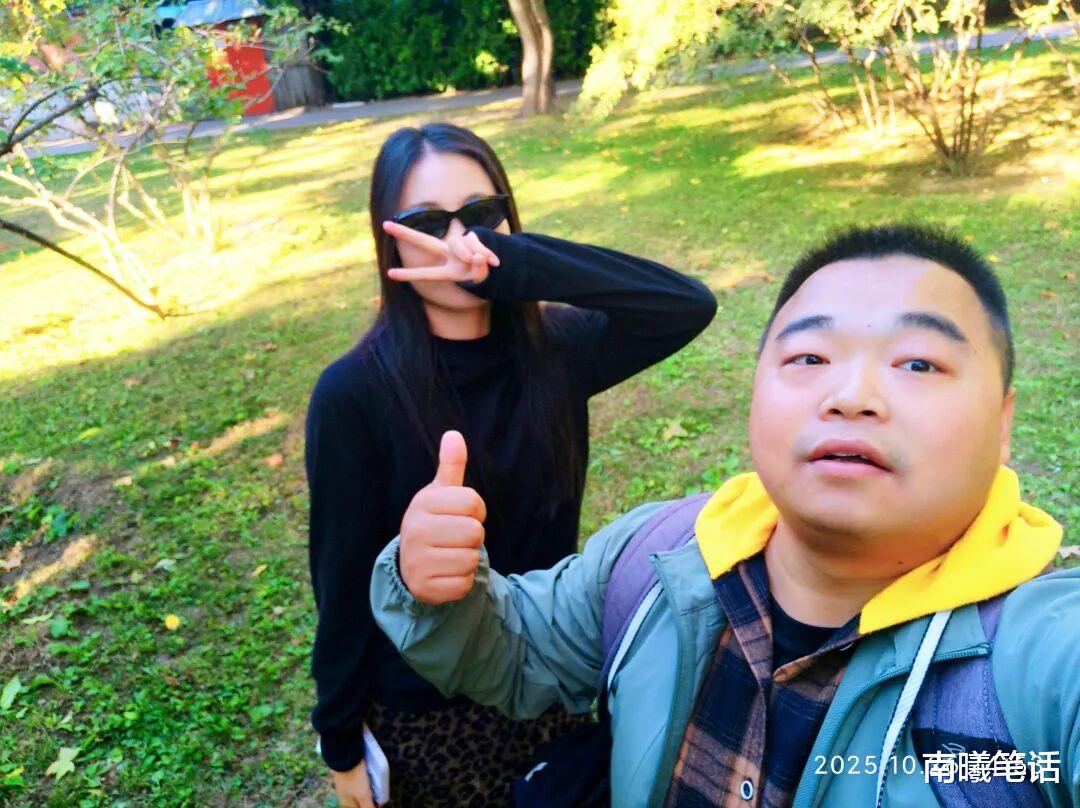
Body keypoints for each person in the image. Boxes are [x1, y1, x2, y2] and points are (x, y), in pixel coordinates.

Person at [371, 224, 1078, 807]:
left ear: (1004, 420)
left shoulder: (1042, 672)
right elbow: (515, 650)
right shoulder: (653, 561)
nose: (852, 395)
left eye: (918, 363)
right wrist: (438, 590)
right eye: (809, 356)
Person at [305, 122, 717, 807]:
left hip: (550, 680)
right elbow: (340, 579)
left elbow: (684, 305)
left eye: (480, 216)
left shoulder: (557, 348)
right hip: (426, 714)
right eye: (427, 223)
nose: (458, 241)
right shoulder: (353, 392)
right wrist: (341, 741)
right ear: (389, 241)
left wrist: (515, 265)